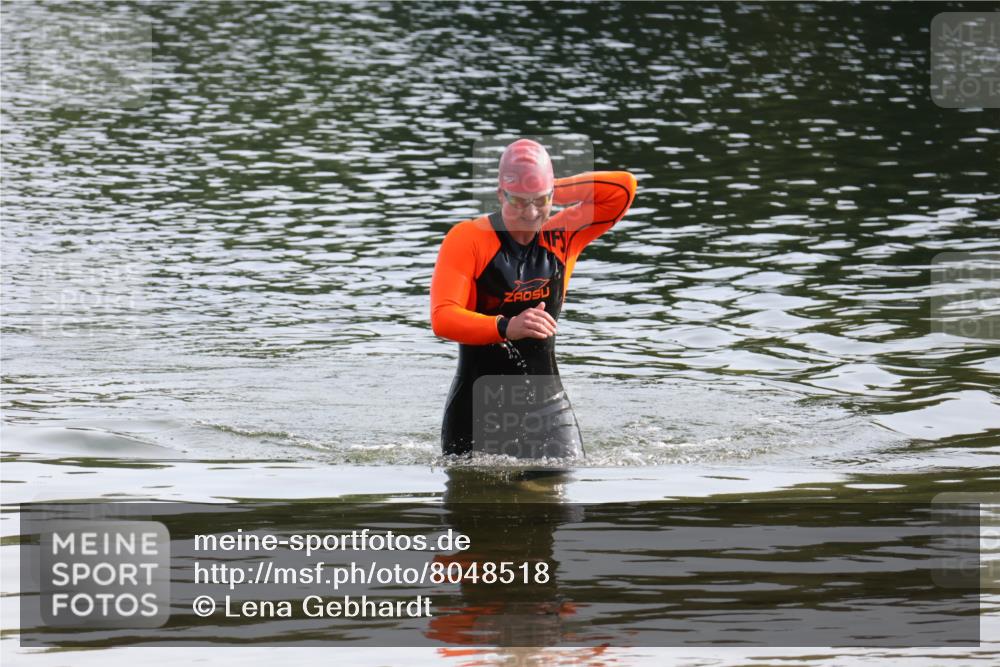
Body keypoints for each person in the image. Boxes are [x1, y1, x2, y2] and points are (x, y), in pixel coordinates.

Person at [430, 139, 637, 457]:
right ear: (500, 194)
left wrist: (549, 185)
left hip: (548, 407)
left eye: (541, 200)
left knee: (561, 496)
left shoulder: (563, 236)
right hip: (475, 408)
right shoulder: (469, 238)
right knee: (475, 503)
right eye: (518, 201)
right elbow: (443, 317)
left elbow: (623, 189)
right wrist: (506, 327)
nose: (530, 213)